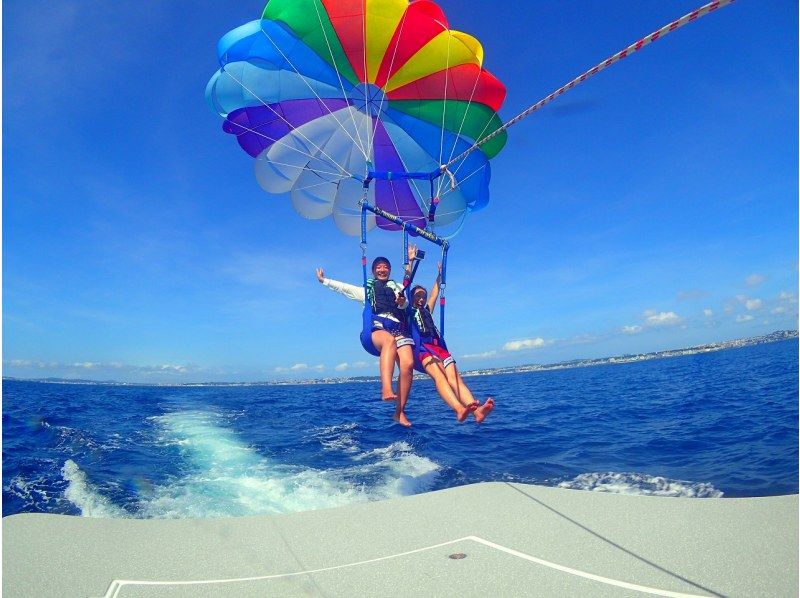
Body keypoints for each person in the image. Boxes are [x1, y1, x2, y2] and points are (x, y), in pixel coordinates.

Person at [316, 258, 415, 427]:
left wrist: (403, 302)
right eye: (378, 267)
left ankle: (399, 412)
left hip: (398, 327)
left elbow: (406, 300)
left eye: (385, 267)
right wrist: (325, 281)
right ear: (373, 271)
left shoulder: (398, 287)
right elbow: (345, 288)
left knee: (408, 365)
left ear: (390, 270)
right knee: (389, 341)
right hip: (377, 330)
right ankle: (386, 388)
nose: (382, 270)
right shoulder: (367, 291)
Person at [406, 247, 495, 423]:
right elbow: (406, 285)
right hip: (422, 349)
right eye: (418, 296)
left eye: (423, 296)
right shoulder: (408, 311)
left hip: (439, 347)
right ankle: (459, 408)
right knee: (441, 378)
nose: (422, 298)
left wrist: (440, 275)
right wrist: (410, 262)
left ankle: (477, 411)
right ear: (412, 297)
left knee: (455, 378)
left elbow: (434, 292)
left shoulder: (427, 310)